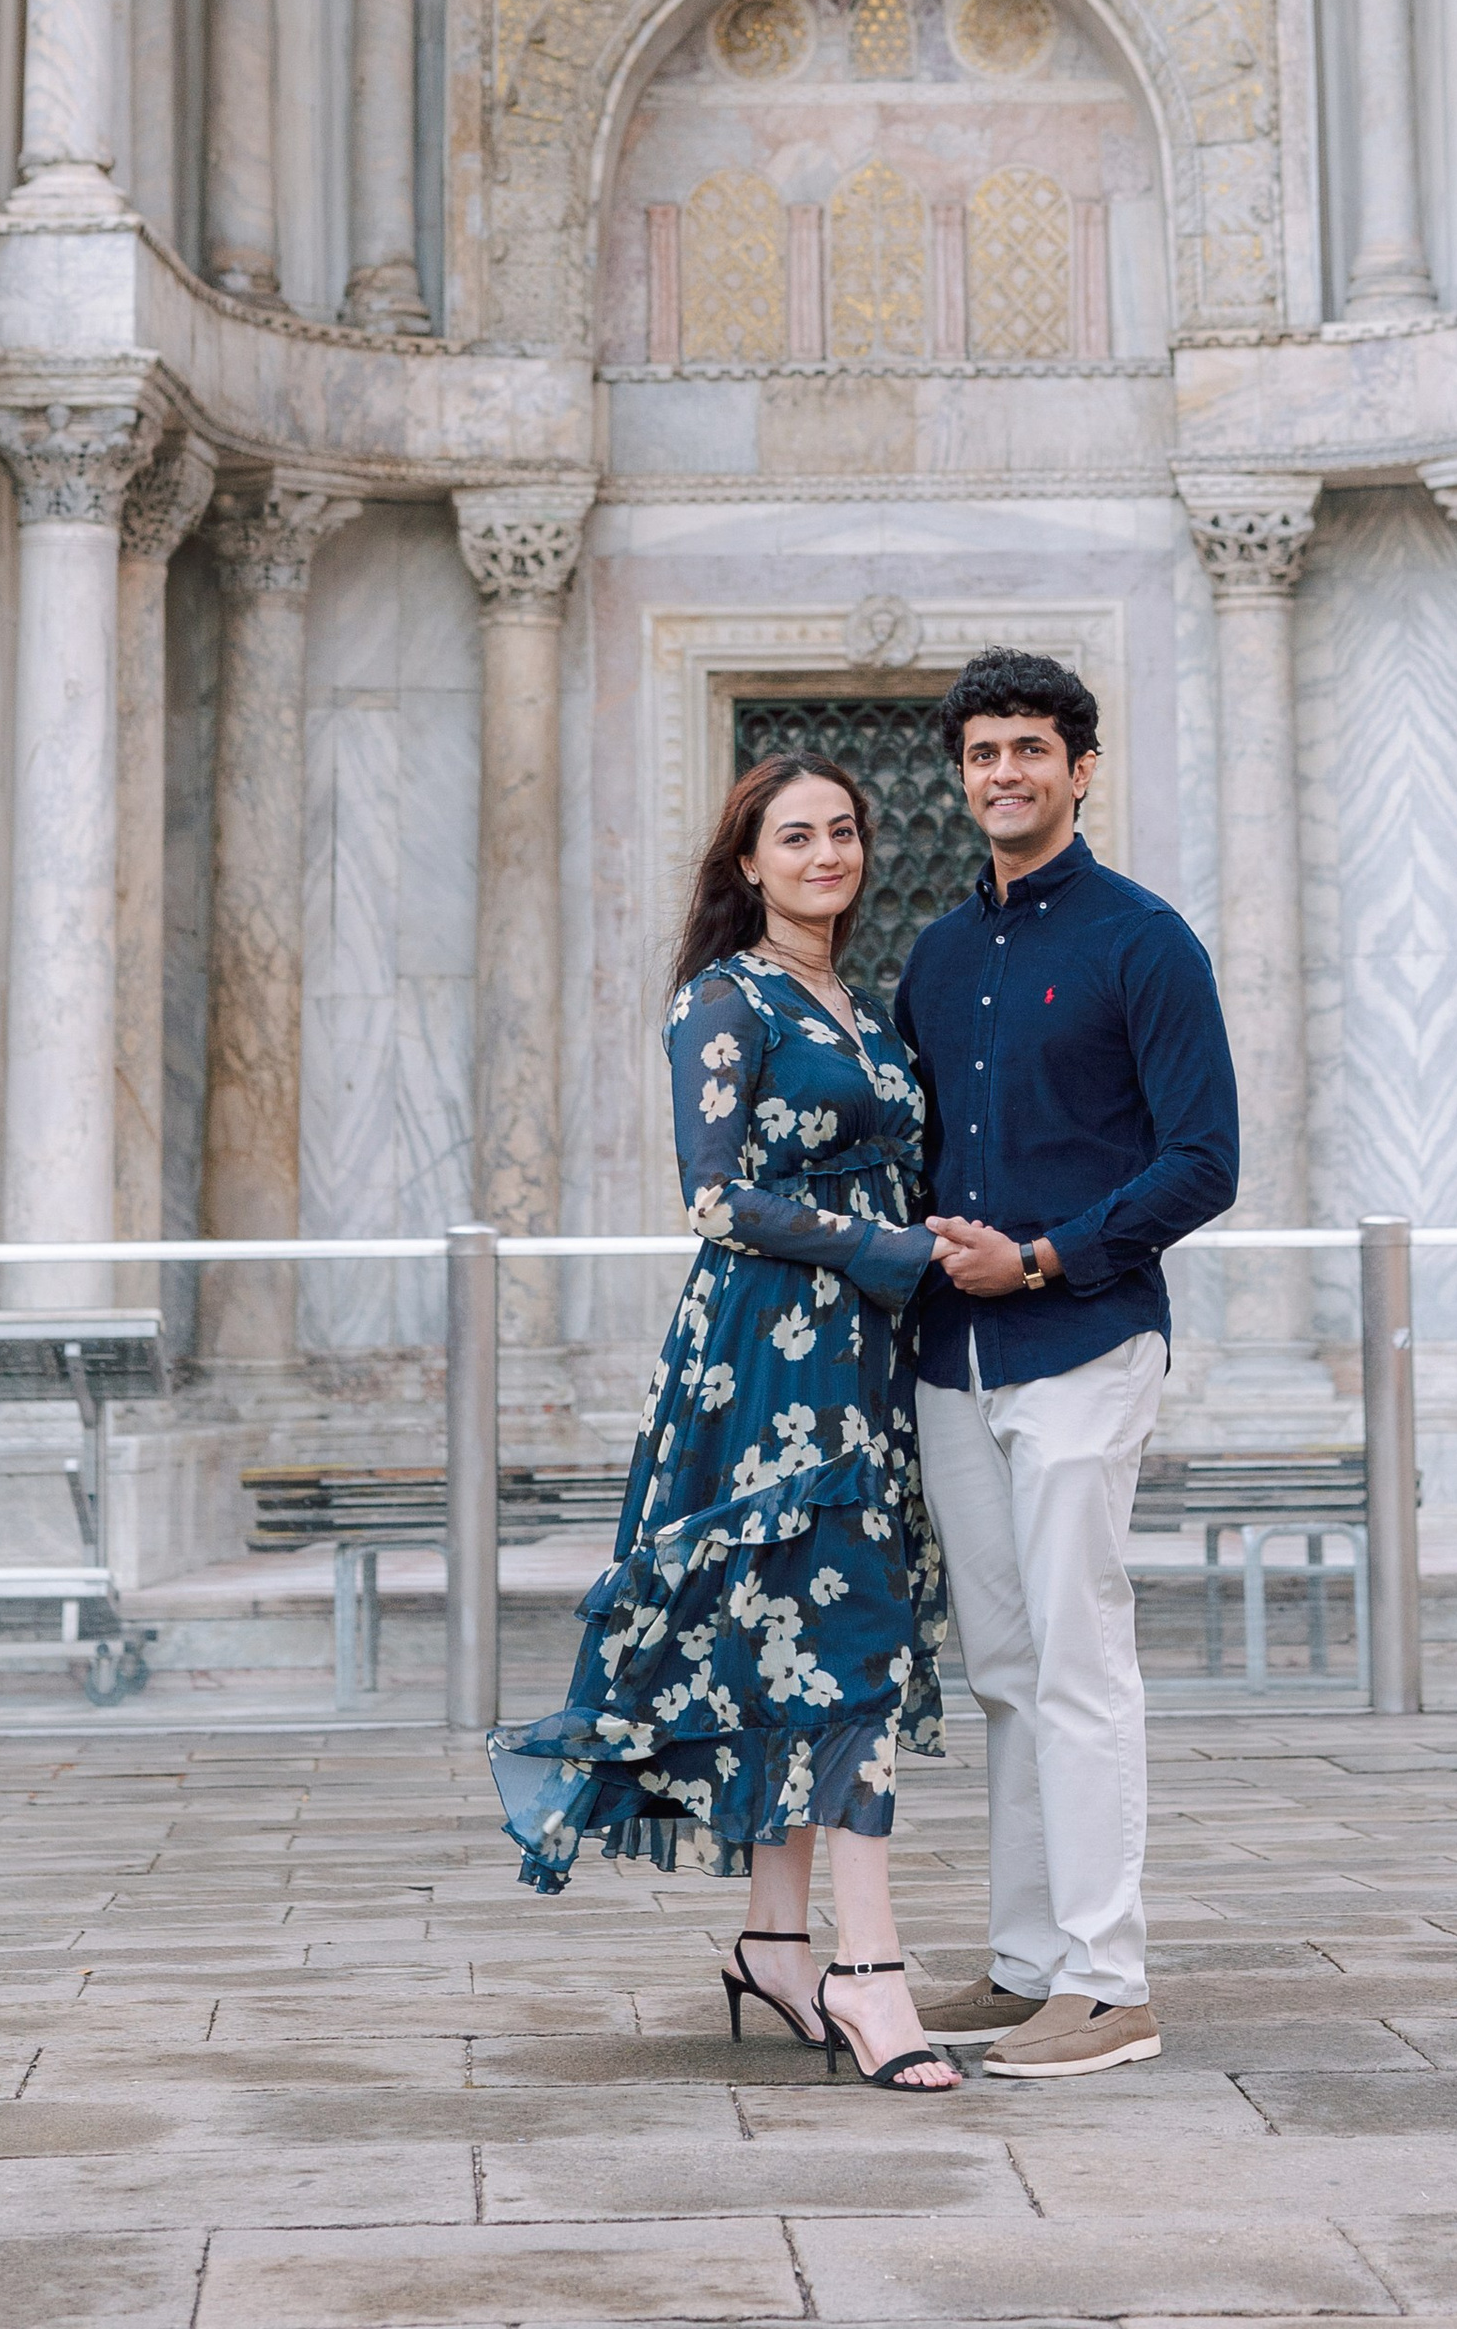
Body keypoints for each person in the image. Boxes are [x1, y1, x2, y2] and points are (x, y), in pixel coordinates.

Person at [488, 756, 960, 2094]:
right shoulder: (724, 996)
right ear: (746, 863)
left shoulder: (863, 1008)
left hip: (865, 1360)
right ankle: (869, 1972)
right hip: (765, 1361)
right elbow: (716, 1199)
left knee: (800, 1643)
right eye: (795, 836)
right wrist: (891, 1249)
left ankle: (774, 1942)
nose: (827, 853)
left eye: (844, 832)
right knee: (852, 1645)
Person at [894, 651, 1239, 2081]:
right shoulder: (937, 955)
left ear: (1082, 768)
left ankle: (1110, 1982)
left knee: (1082, 1659)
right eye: (984, 753)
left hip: (1084, 1339)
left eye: (1032, 749)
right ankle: (1032, 1961)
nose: (1006, 775)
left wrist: (1042, 1260)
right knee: (1007, 1671)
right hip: (950, 1359)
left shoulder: (1143, 941)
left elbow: (1205, 1161)